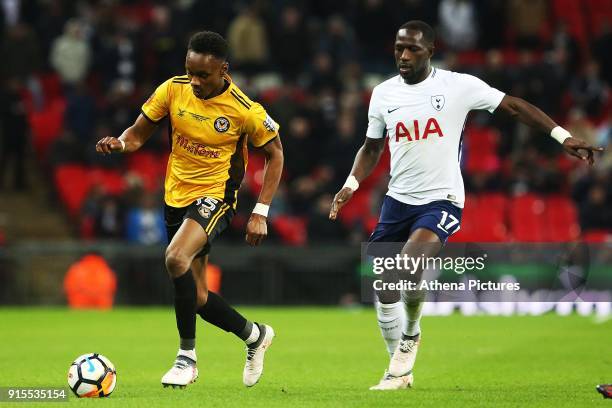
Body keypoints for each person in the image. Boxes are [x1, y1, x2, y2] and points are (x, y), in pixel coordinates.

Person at [329, 20, 603, 391]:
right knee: (385, 285)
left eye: (413, 49)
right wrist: (351, 183)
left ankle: (410, 339)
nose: (404, 56)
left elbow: (515, 107)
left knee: (409, 267)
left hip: (442, 198)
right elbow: (373, 147)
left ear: (431, 51)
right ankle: (400, 369)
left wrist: (563, 136)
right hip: (397, 201)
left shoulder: (459, 86)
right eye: (399, 48)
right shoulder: (382, 94)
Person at [95, 31, 284, 389]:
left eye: (204, 75)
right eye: (190, 72)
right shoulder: (173, 89)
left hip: (216, 196)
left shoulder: (245, 110)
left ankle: (187, 358)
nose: (195, 81)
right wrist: (118, 143)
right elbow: (136, 135)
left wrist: (261, 211)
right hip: (175, 196)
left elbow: (275, 153)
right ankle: (255, 336)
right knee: (196, 297)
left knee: (175, 258)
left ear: (223, 70)